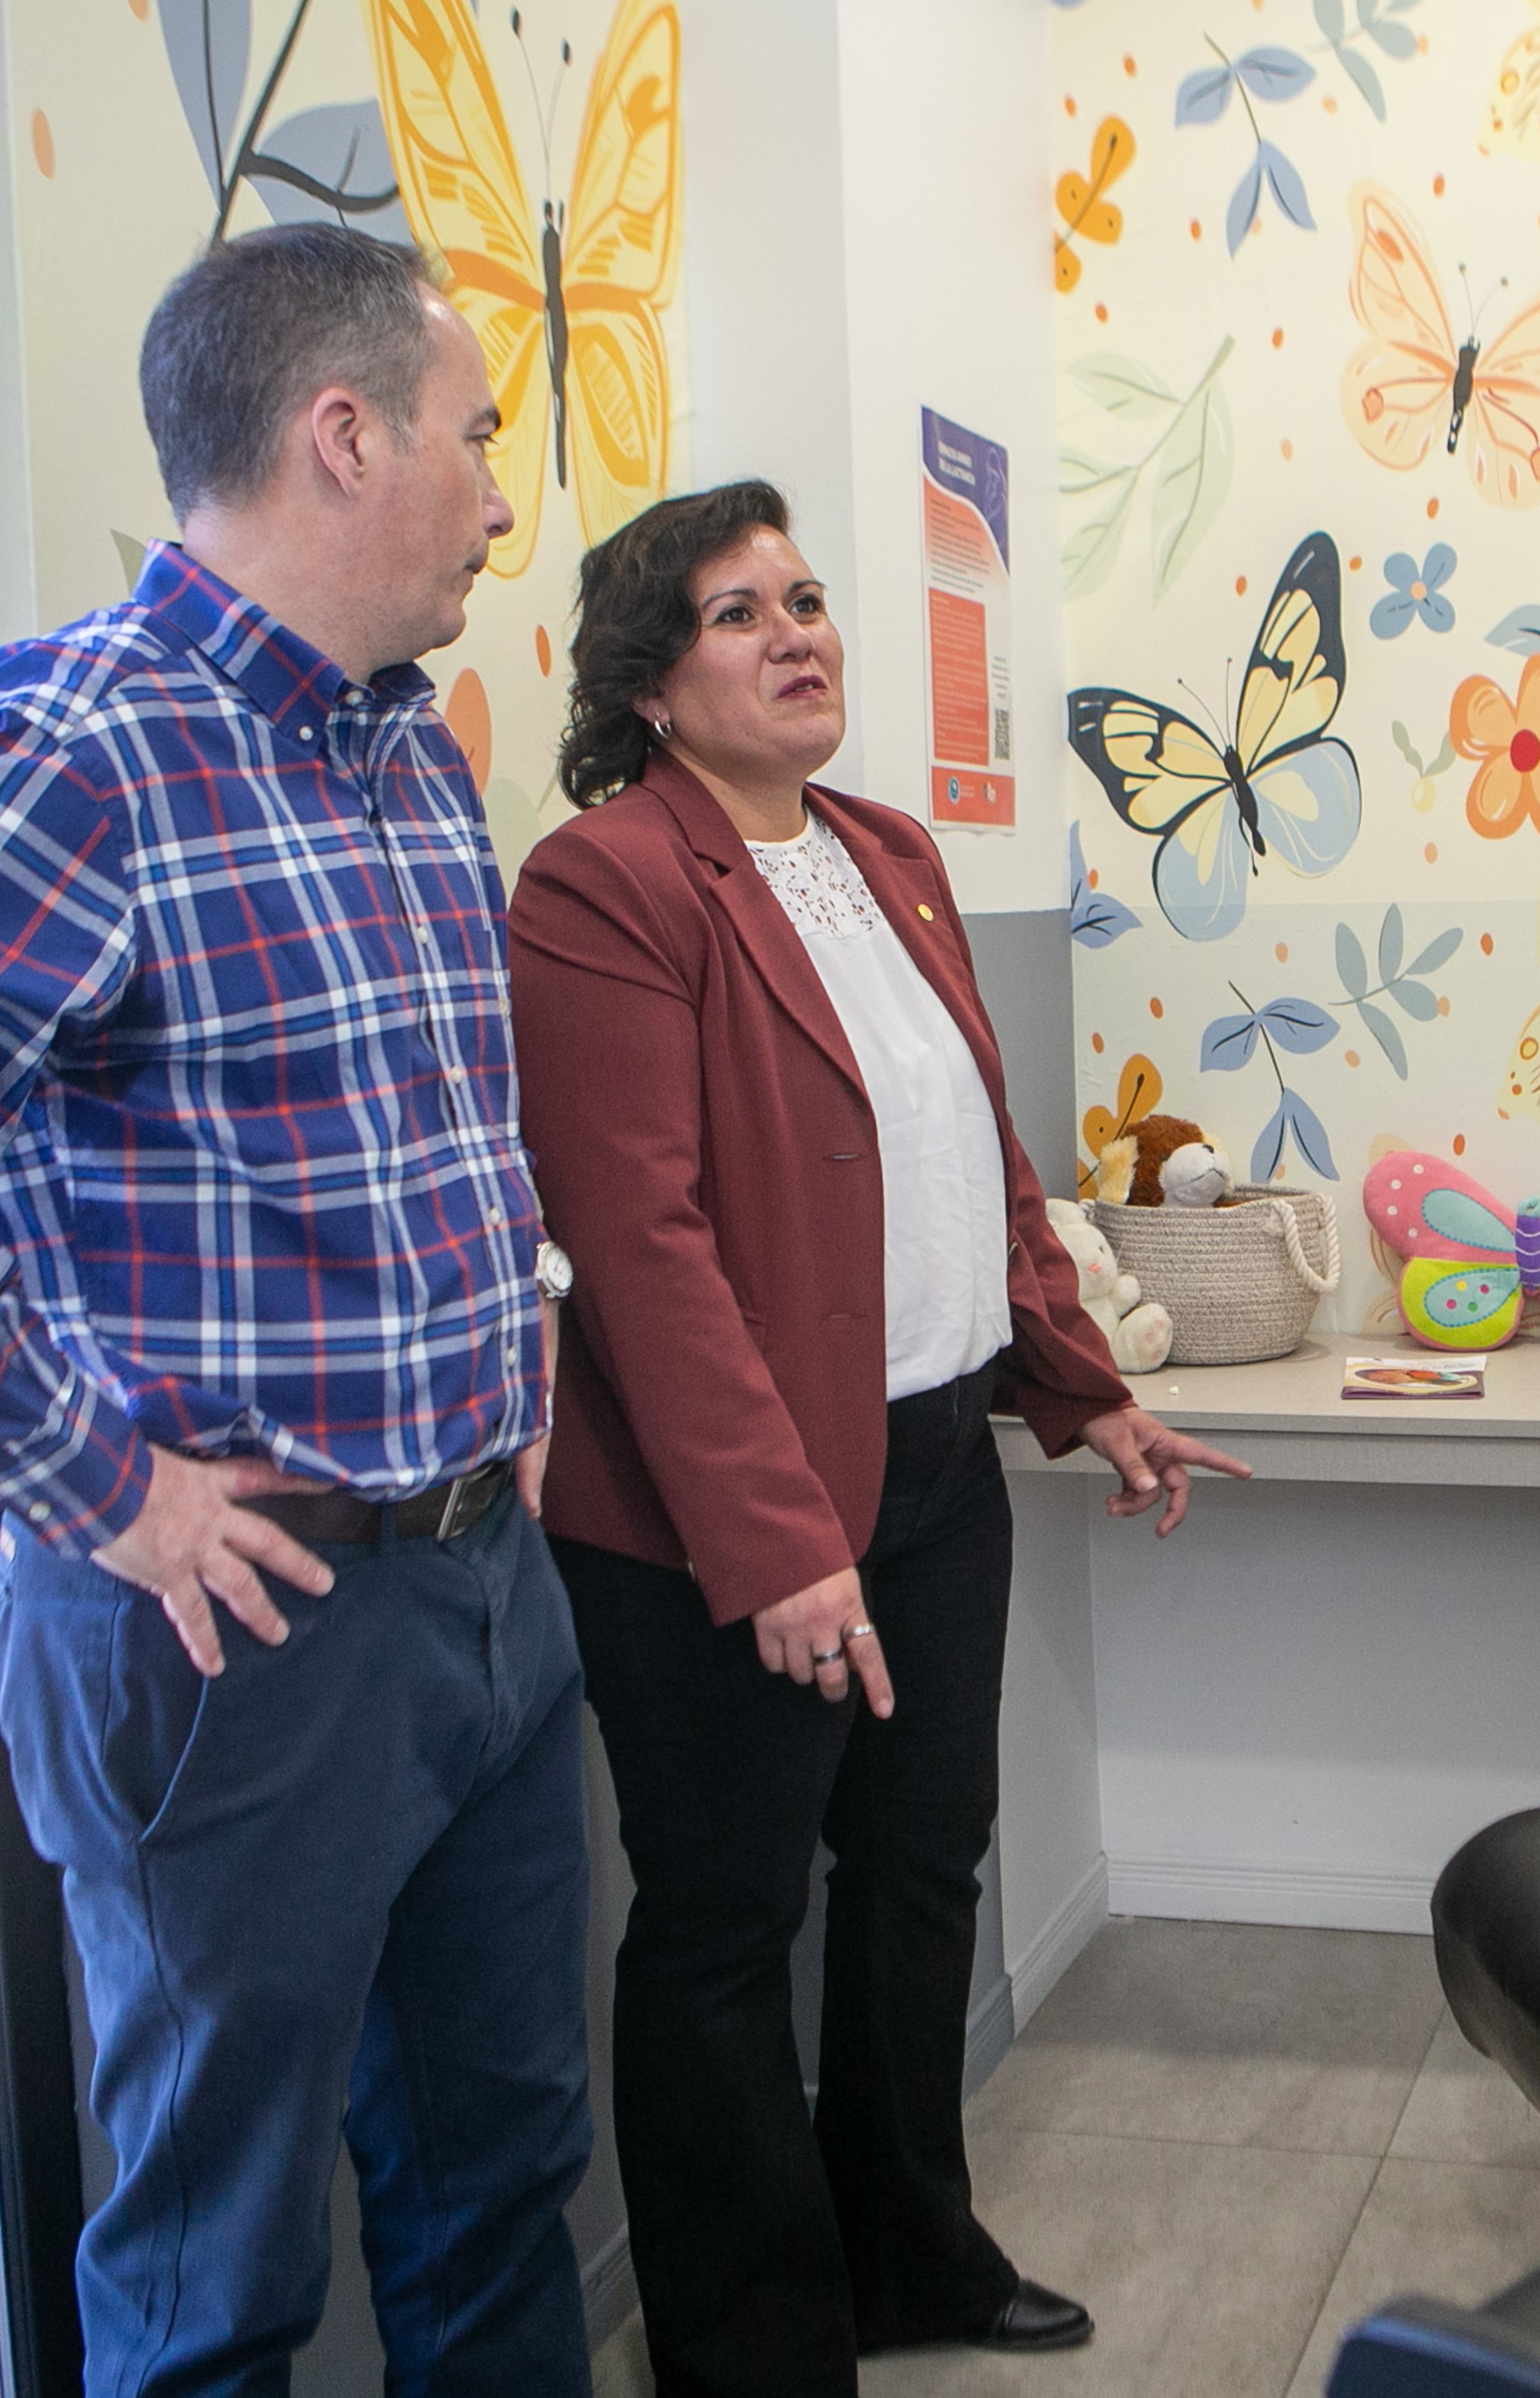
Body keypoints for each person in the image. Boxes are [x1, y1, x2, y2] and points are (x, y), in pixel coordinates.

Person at [0, 226, 594, 2395]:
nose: (496, 495)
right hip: (233, 1636)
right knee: (218, 2276)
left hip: (478, 1596)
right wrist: (104, 1485)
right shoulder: (82, 743)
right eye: (476, 441)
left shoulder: (412, 758)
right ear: (341, 432)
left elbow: (440, 1128)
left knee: (503, 2177)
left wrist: (515, 1355)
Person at [505, 479, 1248, 2398]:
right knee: (727, 1923)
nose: (796, 631)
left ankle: (911, 2246)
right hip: (714, 1518)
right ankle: (754, 2346)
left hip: (929, 1462)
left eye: (808, 597)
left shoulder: (892, 852)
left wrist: (1086, 1388)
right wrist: (776, 1545)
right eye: (738, 611)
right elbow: (639, 1243)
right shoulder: (607, 883)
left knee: (925, 1872)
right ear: (654, 684)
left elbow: (980, 1169)